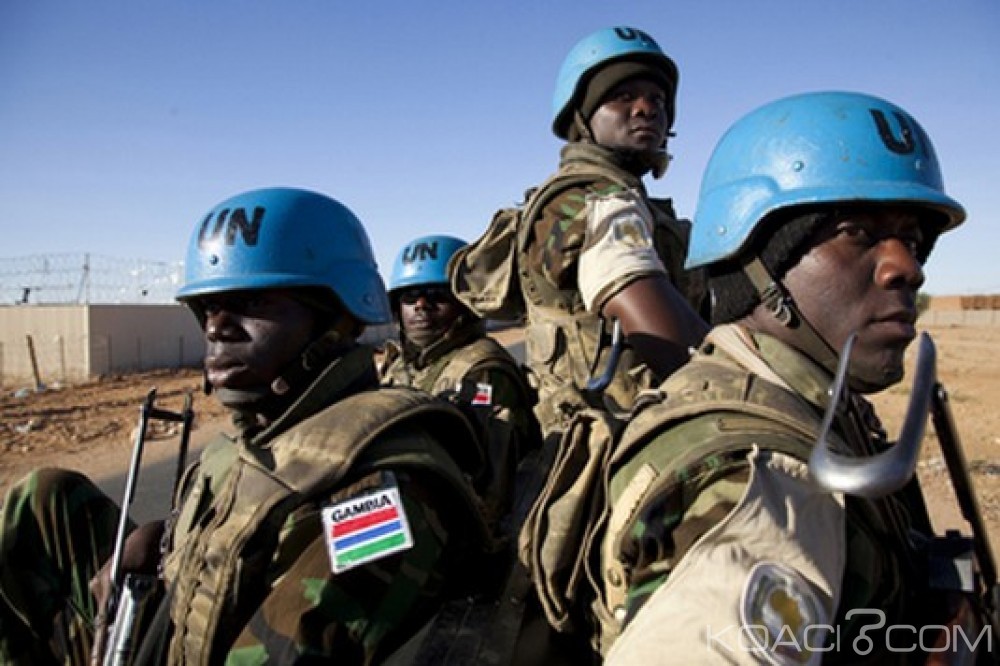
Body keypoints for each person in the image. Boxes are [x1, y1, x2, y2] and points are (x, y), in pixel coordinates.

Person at [577, 91, 991, 664]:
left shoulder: (817, 398)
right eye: (856, 232)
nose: (908, 268)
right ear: (756, 263)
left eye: (914, 241)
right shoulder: (759, 479)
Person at [0, 187, 491, 664]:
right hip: (169, 624)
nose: (217, 327)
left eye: (254, 303)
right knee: (44, 496)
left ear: (338, 317)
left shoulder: (380, 496)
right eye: (210, 307)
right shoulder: (270, 428)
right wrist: (165, 540)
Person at [449, 25, 709, 444]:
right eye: (622, 96)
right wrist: (750, 395)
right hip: (615, 444)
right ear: (581, 117)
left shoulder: (617, 199)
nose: (646, 108)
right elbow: (669, 342)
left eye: (657, 99)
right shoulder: (592, 200)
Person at [380, 234, 540, 531]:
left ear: (465, 303)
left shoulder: (481, 369)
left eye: (436, 295)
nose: (421, 305)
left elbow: (492, 491)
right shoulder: (398, 366)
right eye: (409, 296)